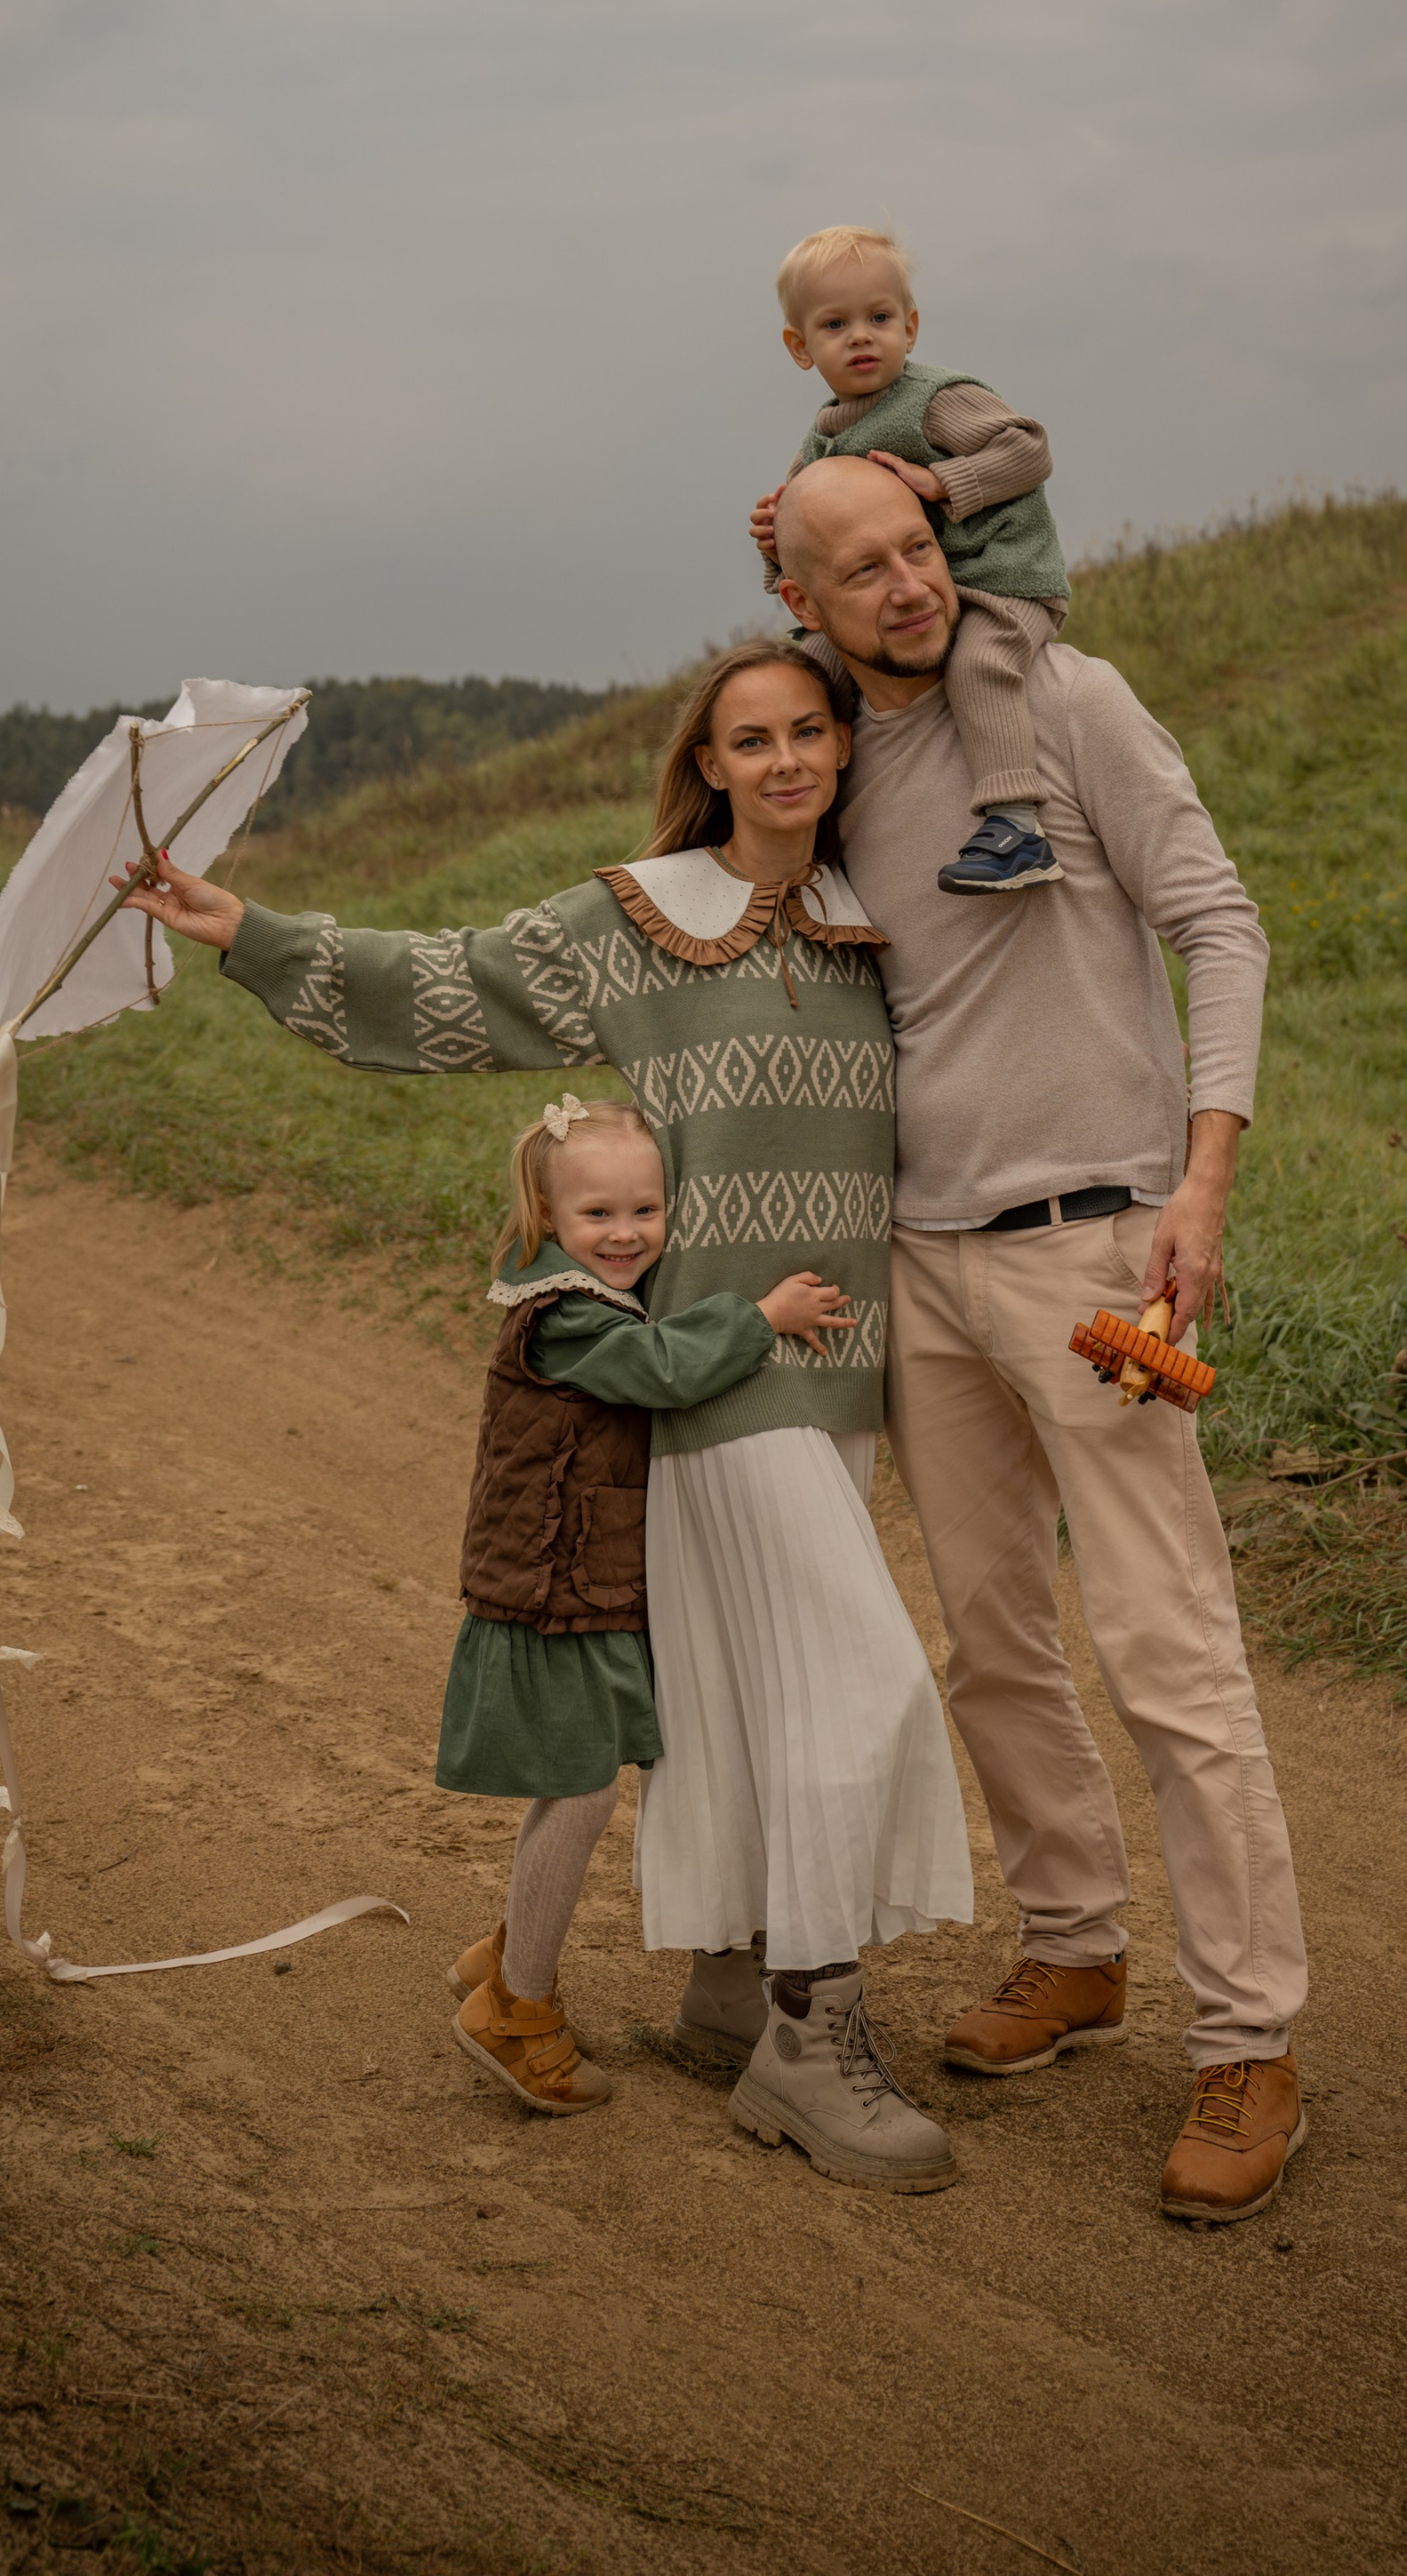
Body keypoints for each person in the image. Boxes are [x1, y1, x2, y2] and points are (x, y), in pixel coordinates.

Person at [122, 639, 974, 2195]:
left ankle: (728, 1985)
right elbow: (445, 987)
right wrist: (243, 929)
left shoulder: (881, 922)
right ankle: (811, 2029)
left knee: (742, 1690)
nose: (784, 759)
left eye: (808, 732)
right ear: (705, 764)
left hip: (845, 1380)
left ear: (840, 751)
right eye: (749, 738)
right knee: (862, 1686)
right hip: (717, 1378)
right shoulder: (637, 926)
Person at [770, 452, 1311, 2226]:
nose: (903, 588)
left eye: (914, 551)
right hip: (916, 1263)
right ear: (802, 604)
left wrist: (1201, 1182)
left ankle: (1246, 2039)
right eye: (857, 572)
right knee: (990, 1638)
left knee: (1168, 1653)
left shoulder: (1065, 700)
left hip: (1092, 1245)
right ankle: (1073, 1949)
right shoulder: (833, 764)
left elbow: (1216, 925)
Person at [437, 1091, 848, 2117]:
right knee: (579, 1790)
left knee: (582, 1782)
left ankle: (504, 1953)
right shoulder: (564, 1316)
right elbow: (662, 1370)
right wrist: (762, 1317)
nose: (624, 1236)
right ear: (544, 1219)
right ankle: (517, 2005)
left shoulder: (589, 1290)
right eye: (597, 1218)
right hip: (552, 1591)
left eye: (644, 1212)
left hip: (578, 1582)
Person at [749, 225, 1071, 900]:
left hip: (1003, 576)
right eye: (836, 324)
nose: (861, 336)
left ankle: (1017, 827)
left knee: (979, 666)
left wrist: (947, 484)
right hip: (923, 592)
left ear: (911, 327)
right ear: (800, 347)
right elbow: (813, 541)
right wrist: (772, 541)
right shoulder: (824, 436)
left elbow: (1030, 449)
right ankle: (801, 834)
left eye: (879, 318)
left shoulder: (936, 401)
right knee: (809, 673)